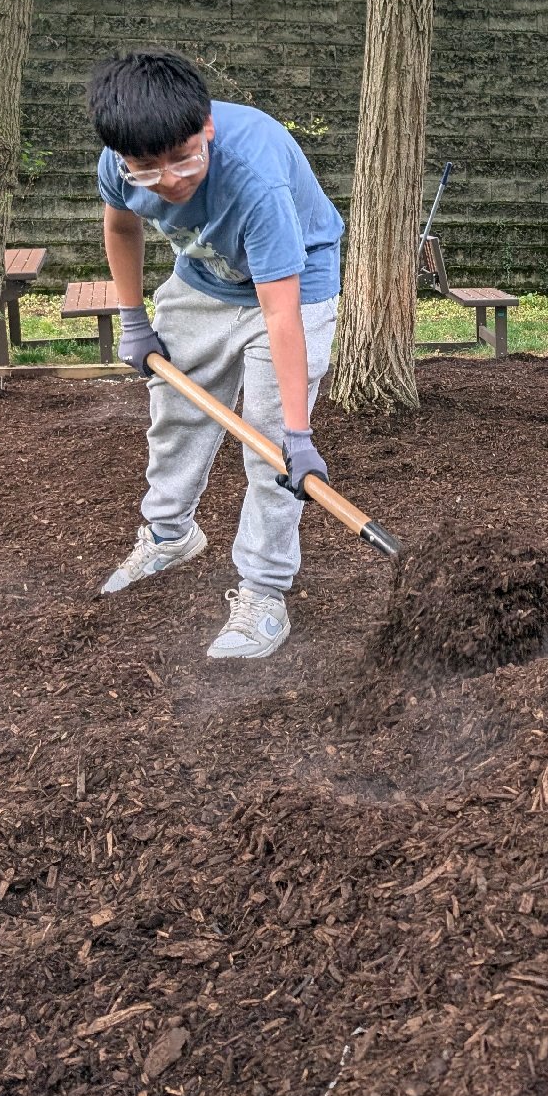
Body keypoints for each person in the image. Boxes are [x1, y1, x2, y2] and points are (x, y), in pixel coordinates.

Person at [87, 50, 344, 660]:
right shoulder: (121, 162)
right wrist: (132, 317)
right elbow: (121, 225)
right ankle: (170, 535)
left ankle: (264, 591)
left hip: (292, 285)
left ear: (206, 125)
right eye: (150, 171)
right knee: (175, 413)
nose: (171, 181)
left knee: (271, 449)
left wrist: (297, 433)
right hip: (203, 279)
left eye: (184, 158)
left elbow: (279, 311)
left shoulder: (253, 175)